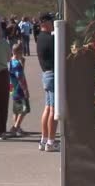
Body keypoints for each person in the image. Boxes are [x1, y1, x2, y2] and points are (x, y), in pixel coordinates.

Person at [37, 13, 58, 152]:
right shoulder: (51, 39)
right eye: (51, 21)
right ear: (46, 22)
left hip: (46, 74)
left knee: (47, 108)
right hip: (52, 74)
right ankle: (51, 141)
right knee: (54, 110)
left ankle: (44, 140)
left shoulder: (40, 37)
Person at [9, 43, 30, 137]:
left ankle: (17, 127)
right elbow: (20, 77)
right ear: (18, 52)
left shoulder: (10, 62)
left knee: (16, 109)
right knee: (24, 109)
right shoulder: (17, 64)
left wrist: (23, 63)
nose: (23, 54)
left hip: (12, 87)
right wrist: (25, 90)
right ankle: (15, 127)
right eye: (22, 52)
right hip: (19, 88)